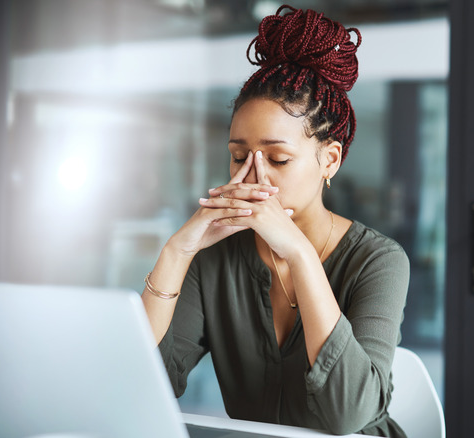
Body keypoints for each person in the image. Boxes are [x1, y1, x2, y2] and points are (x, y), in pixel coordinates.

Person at [140, 5, 410, 437]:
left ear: (330, 160)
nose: (252, 176)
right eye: (238, 156)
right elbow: (146, 383)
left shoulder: (378, 260)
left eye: (279, 158)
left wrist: (300, 254)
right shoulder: (215, 258)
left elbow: (350, 415)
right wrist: (177, 252)